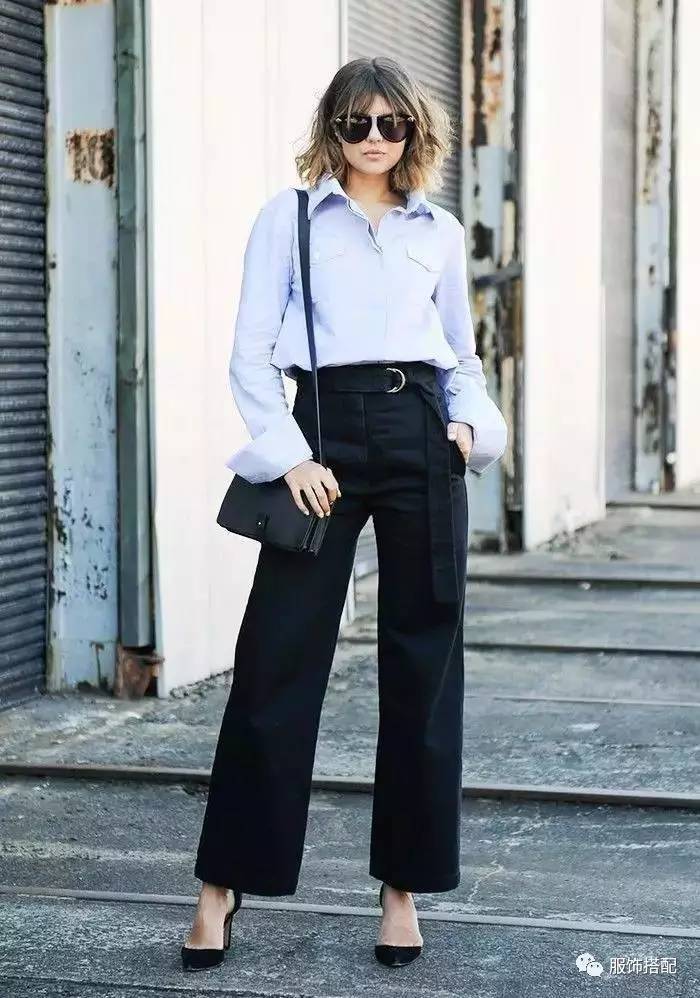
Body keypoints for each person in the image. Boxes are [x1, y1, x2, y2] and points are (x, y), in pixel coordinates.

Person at [181, 55, 507, 972]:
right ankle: (222, 884)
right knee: (275, 658)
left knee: (423, 663)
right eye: (356, 122)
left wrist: (468, 433)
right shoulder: (287, 218)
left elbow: (462, 359)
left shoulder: (439, 231)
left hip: (419, 434)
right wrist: (288, 457)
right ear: (332, 129)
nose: (373, 138)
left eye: (389, 124)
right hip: (319, 435)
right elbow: (250, 352)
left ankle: (402, 889)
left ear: (413, 131)